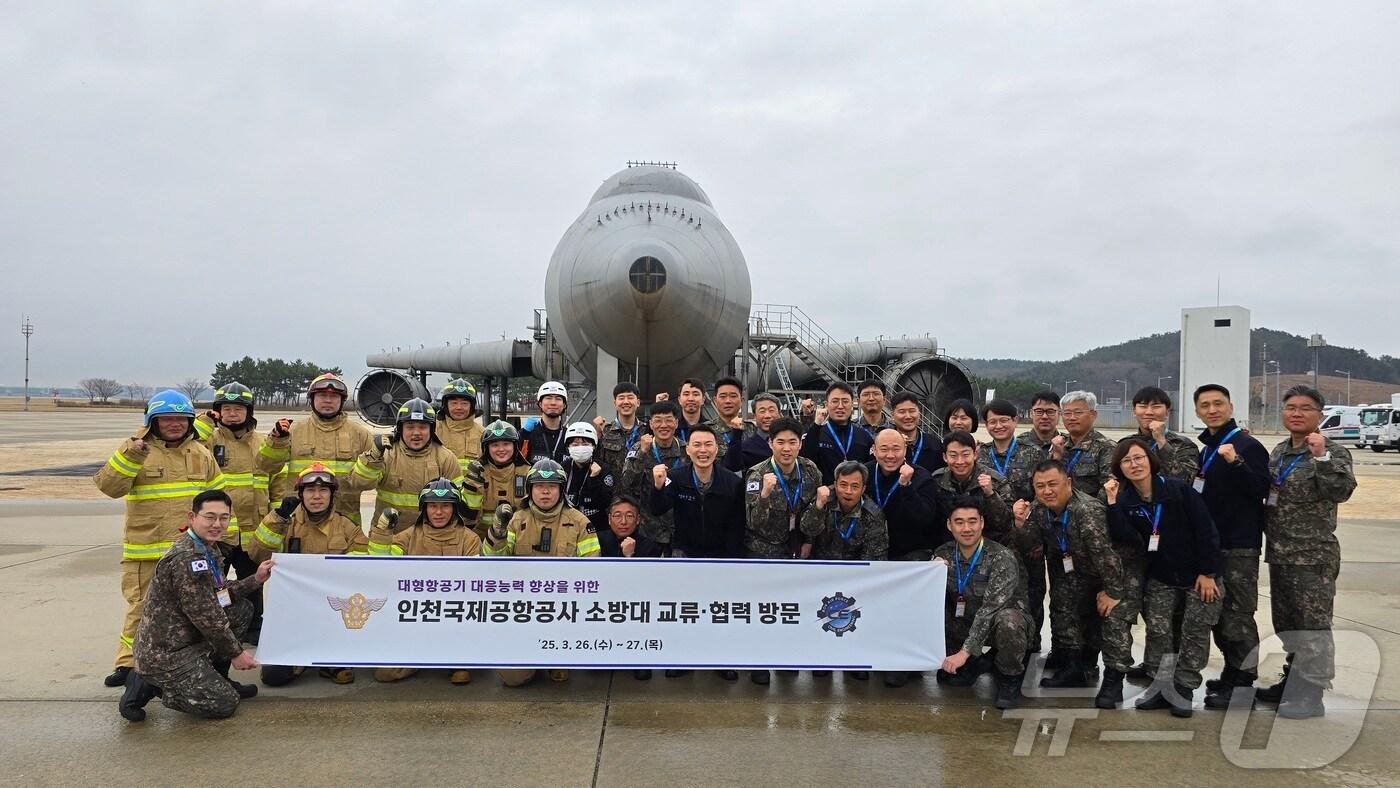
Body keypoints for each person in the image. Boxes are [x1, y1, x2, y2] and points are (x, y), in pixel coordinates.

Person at [94, 389, 228, 688]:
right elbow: (109, 487)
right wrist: (132, 455)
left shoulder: (201, 453)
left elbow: (219, 498)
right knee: (141, 609)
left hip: (190, 553)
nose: (175, 424)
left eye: (181, 419)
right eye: (167, 418)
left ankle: (197, 663)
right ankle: (128, 665)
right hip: (147, 551)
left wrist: (222, 540)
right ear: (152, 420)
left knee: (198, 610)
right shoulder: (136, 450)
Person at [120, 490, 273, 722]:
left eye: (224, 518)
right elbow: (208, 617)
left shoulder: (207, 548)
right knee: (223, 704)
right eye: (210, 517)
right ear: (192, 517)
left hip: (189, 639)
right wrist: (236, 653)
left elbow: (219, 596)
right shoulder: (188, 559)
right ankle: (151, 684)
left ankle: (218, 677)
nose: (217, 524)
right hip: (167, 653)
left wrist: (256, 579)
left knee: (241, 609)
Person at [1258, 385, 1356, 719]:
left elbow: (1341, 491)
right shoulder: (1279, 452)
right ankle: (1294, 679)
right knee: (1287, 623)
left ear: (1319, 415)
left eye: (1306, 408)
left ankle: (1312, 693)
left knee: (1313, 626)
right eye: (1291, 407)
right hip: (1280, 553)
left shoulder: (1332, 451)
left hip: (1313, 555)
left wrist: (1322, 458)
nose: (1297, 413)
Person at [1105, 440, 1222, 717]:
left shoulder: (1177, 490)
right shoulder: (1127, 500)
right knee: (1158, 631)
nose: (1134, 465)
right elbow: (1123, 535)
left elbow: (1206, 531)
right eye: (1127, 461)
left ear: (1150, 460)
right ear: (1119, 468)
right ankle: (1160, 687)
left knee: (1194, 632)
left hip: (1198, 574)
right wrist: (1111, 503)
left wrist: (1208, 573)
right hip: (1163, 576)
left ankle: (1184, 689)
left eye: (1139, 458)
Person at [1015, 460, 1131, 707]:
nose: (1047, 491)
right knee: (1062, 607)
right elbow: (1030, 545)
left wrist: (1113, 592)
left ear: (1068, 483)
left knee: (1112, 619)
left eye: (1053, 484)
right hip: (1074, 573)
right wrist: (1018, 524)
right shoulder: (1039, 509)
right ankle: (1074, 667)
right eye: (1040, 486)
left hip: (1111, 575)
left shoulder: (1086, 511)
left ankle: (1114, 679)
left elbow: (1107, 557)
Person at [248, 463, 369, 686]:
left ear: (332, 495)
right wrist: (278, 518)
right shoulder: (286, 522)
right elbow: (257, 553)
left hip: (333, 613)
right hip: (293, 613)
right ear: (300, 494)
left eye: (323, 491)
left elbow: (361, 570)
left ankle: (329, 659)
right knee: (274, 677)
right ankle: (302, 659)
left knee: (343, 673)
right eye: (310, 491)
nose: (316, 497)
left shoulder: (348, 527)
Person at [483, 459, 601, 686]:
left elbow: (592, 573)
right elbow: (492, 563)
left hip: (564, 609)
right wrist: (497, 532)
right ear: (530, 491)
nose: (545, 492)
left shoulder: (579, 522)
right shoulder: (516, 520)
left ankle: (558, 660)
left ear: (561, 490)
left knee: (561, 667)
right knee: (512, 678)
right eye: (539, 486)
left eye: (552, 487)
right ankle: (529, 657)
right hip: (522, 608)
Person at [1192, 384, 1271, 709]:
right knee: (1219, 614)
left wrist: (1237, 463)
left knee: (1237, 615)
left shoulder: (1246, 445)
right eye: (1205, 405)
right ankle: (1231, 672)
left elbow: (1260, 490)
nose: (1212, 410)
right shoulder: (1209, 448)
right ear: (1197, 411)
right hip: (1214, 544)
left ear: (1231, 405)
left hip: (1239, 545)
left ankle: (1243, 683)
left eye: (1218, 404)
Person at [650, 424, 747, 681]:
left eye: (708, 445)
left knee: (721, 610)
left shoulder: (732, 482)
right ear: (688, 449)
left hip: (721, 555)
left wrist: (733, 561)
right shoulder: (676, 477)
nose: (703, 451)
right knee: (685, 609)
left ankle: (723, 659)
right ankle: (683, 658)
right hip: (685, 552)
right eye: (697, 445)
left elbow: (738, 525)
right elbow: (658, 509)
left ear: (717, 448)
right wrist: (658, 486)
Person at [192, 381, 284, 644]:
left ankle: (255, 626)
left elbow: (277, 480)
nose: (232, 413)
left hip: (254, 529)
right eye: (226, 408)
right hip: (218, 532)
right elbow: (186, 444)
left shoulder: (264, 443)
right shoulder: (207, 441)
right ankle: (216, 627)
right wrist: (202, 423)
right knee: (213, 583)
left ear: (249, 411)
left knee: (253, 580)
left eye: (238, 408)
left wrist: (276, 519)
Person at [366, 477, 483, 686]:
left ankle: (458, 660)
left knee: (461, 671)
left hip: (455, 618)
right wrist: (382, 533)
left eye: (445, 506)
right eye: (433, 506)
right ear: (424, 509)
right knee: (386, 673)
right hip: (417, 618)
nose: (439, 512)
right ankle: (421, 654)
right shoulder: (408, 536)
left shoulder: (470, 539)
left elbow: (477, 584)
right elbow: (381, 563)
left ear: (455, 508)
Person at [934, 497, 1034, 709]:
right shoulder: (942, 554)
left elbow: (990, 609)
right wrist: (931, 574)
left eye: (972, 521)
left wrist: (964, 652)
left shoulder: (1001, 557)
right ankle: (978, 662)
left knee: (1009, 621)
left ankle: (1009, 677)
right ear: (949, 525)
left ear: (982, 523)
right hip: (964, 621)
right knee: (952, 678)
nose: (967, 528)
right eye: (959, 522)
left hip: (999, 623)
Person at [743, 417, 821, 685]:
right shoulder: (757, 475)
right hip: (763, 550)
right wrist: (764, 495)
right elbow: (753, 522)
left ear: (800, 444)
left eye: (792, 442)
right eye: (780, 442)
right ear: (770, 444)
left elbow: (813, 514)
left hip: (796, 549)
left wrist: (809, 538)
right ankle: (759, 663)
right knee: (763, 609)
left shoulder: (810, 471)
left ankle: (787, 658)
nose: (786, 448)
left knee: (791, 608)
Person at [801, 460, 889, 680]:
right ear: (835, 484)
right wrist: (819, 506)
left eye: (854, 486)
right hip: (819, 571)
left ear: (863, 489)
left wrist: (855, 581)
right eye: (843, 485)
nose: (848, 491)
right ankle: (821, 659)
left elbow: (874, 558)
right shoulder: (824, 499)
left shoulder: (873, 514)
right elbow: (807, 529)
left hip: (855, 576)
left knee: (856, 616)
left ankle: (855, 659)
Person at [977, 398, 1048, 655]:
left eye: (1004, 420)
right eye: (992, 421)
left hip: (1026, 532)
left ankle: (1031, 642)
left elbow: (1044, 489)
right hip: (994, 536)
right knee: (997, 590)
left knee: (1034, 587)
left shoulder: (1033, 452)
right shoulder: (980, 454)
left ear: (1015, 421)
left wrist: (1028, 511)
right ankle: (999, 645)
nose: (998, 426)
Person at [263, 372, 373, 525]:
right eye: (322, 395)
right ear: (312, 399)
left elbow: (374, 480)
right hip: (300, 522)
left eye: (334, 396)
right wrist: (277, 441)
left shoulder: (361, 435)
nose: (328, 400)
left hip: (345, 523)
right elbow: (267, 466)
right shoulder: (293, 431)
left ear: (342, 401)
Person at [347, 398, 461, 528]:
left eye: (423, 427)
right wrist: (373, 458)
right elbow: (358, 484)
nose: (416, 433)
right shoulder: (385, 454)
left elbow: (458, 501)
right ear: (400, 429)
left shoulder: (446, 458)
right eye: (410, 427)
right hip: (389, 534)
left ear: (432, 429)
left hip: (430, 537)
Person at [597, 496, 663, 681]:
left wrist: (629, 558)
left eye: (629, 516)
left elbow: (648, 585)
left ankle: (639, 659)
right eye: (617, 516)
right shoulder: (596, 540)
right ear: (609, 519)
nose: (623, 521)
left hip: (636, 605)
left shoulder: (651, 547)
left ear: (638, 519)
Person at [621, 401, 687, 552]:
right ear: (651, 424)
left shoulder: (686, 450)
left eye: (669, 420)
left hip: (679, 529)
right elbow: (626, 484)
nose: (663, 425)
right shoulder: (640, 448)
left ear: (676, 423)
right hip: (649, 530)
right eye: (658, 420)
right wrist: (642, 453)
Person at [931, 431, 1015, 547]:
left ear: (975, 454)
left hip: (988, 549)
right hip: (948, 547)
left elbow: (1006, 524)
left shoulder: (995, 481)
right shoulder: (937, 480)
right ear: (945, 457)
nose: (960, 461)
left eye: (965, 455)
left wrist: (990, 495)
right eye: (953, 455)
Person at [462, 420, 532, 540]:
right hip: (481, 539)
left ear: (515, 446)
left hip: (519, 539)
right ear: (486, 448)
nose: (501, 449)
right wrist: (472, 487)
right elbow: (467, 520)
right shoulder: (477, 473)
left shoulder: (528, 472)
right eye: (495, 445)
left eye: (506, 444)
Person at [801, 382, 874, 484]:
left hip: (855, 495)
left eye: (845, 401)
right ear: (826, 405)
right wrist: (816, 424)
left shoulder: (864, 436)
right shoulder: (816, 433)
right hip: (825, 496)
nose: (840, 406)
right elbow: (805, 462)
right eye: (835, 401)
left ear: (852, 404)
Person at [1125, 386, 1200, 482]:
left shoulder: (1183, 444)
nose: (1149, 412)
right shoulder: (1126, 444)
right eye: (1143, 406)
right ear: (1134, 412)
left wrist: (1161, 442)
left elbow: (1185, 480)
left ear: (1167, 413)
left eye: (1156, 407)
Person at [1050, 391, 1116, 499]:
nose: (1072, 418)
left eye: (1078, 412)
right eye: (1067, 413)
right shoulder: (1059, 444)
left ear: (1093, 414)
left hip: (1091, 512)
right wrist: (1056, 457)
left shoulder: (1107, 447)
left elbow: (1109, 488)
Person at [561, 421, 615, 533]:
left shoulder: (603, 469)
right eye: (575, 445)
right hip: (568, 526)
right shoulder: (563, 468)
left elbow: (606, 502)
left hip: (598, 527)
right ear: (568, 447)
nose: (580, 448)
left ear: (594, 446)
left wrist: (595, 479)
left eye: (585, 444)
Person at [594, 382, 646, 480]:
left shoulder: (647, 431)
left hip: (640, 492)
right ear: (615, 403)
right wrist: (597, 434)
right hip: (611, 492)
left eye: (630, 397)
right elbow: (596, 461)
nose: (626, 402)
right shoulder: (605, 430)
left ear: (638, 402)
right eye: (621, 398)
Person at [437, 378, 484, 473]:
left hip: (471, 487)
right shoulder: (433, 430)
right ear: (445, 405)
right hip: (439, 487)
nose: (459, 407)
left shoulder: (483, 434)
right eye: (454, 403)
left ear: (472, 406)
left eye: (464, 403)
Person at [890, 391, 944, 473]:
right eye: (902, 412)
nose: (908, 416)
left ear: (919, 413)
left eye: (912, 411)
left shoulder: (934, 444)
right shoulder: (884, 444)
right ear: (892, 415)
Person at [521, 381, 570, 464]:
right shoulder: (527, 435)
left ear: (564, 405)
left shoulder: (570, 437)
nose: (553, 403)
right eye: (548, 398)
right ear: (540, 403)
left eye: (558, 399)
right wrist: (522, 435)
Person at [712, 376, 751, 471]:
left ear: (742, 400)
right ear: (715, 400)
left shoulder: (752, 429)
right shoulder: (705, 430)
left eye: (733, 396)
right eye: (723, 396)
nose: (728, 401)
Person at [735, 393, 782, 470]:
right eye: (762, 411)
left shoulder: (790, 443)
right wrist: (736, 432)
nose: (767, 416)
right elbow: (732, 467)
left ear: (779, 413)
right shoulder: (746, 448)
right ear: (754, 416)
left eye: (771, 410)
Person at [1018, 391, 1065, 455]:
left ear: (1059, 414)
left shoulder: (1067, 444)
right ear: (1031, 413)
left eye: (1050, 412)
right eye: (1039, 411)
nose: (1044, 417)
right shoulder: (1018, 444)